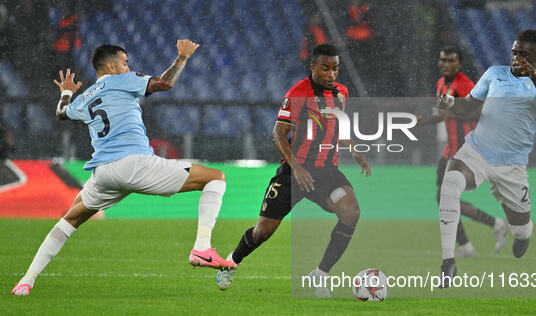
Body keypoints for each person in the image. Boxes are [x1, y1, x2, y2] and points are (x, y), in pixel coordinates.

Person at [11, 39, 236, 296]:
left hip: (104, 173)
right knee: (215, 178)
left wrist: (66, 92)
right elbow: (165, 83)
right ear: (110, 66)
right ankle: (202, 247)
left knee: (70, 219)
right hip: (135, 164)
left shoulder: (85, 97)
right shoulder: (120, 80)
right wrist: (182, 57)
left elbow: (62, 112)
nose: (128, 68)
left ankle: (25, 282)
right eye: (125, 63)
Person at [217, 44, 371, 297]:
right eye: (325, 68)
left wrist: (353, 149)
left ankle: (319, 275)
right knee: (263, 232)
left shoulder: (341, 93)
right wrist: (296, 168)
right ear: (312, 67)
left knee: (351, 212)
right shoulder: (297, 94)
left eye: (335, 69)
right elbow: (278, 134)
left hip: (326, 172)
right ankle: (231, 262)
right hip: (294, 173)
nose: (332, 74)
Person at [437, 30, 536, 287]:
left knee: (520, 228)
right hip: (477, 152)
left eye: (524, 54)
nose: (517, 57)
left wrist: (533, 76)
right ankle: (448, 262)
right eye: (515, 52)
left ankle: (523, 234)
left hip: (512, 165)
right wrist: (450, 101)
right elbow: (468, 106)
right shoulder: (494, 74)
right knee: (449, 186)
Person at [417, 46, 508, 258]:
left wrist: (452, 112)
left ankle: (492, 227)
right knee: (443, 200)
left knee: (446, 198)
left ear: (459, 64)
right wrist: (425, 122)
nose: (446, 64)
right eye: (443, 60)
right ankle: (471, 243)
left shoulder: (465, 84)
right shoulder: (441, 83)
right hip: (449, 150)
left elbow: (479, 113)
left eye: (451, 61)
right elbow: (444, 115)